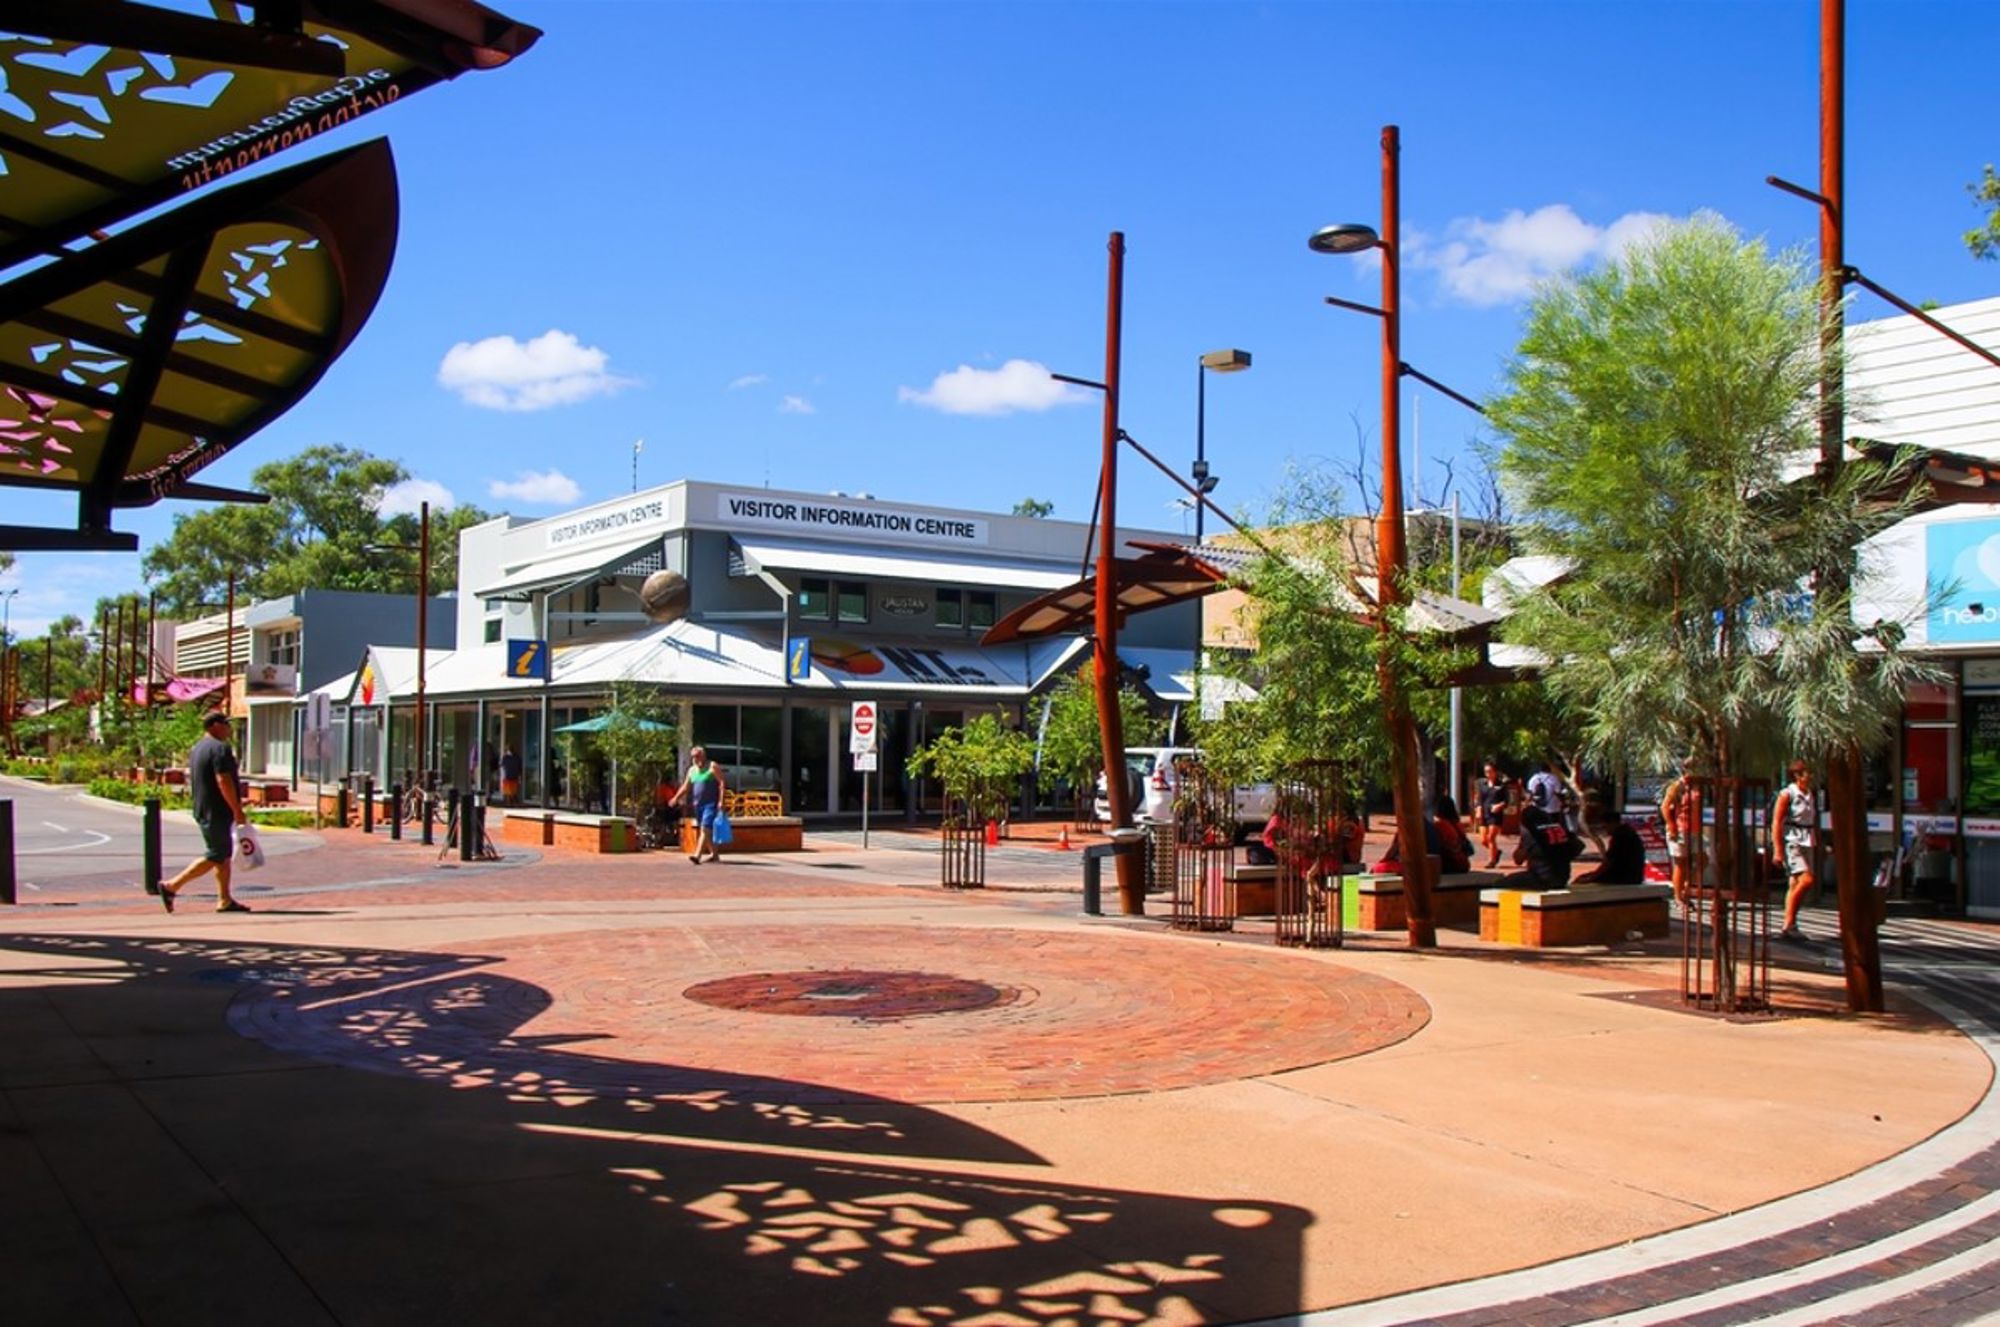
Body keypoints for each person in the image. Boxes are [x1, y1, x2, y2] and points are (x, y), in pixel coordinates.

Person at [161, 711, 250, 914]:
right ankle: (171, 886)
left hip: (204, 807)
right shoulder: (220, 748)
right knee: (217, 854)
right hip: (217, 810)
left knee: (223, 855)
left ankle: (224, 899)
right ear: (215, 726)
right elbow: (223, 780)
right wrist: (237, 809)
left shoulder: (198, 748)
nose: (229, 728)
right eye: (226, 724)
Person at [1773, 760, 1816, 941]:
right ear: (1797, 776)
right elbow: (1777, 821)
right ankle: (1789, 922)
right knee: (1807, 880)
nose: (1810, 776)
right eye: (1807, 773)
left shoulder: (1810, 794)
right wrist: (1778, 850)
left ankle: (1789, 925)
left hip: (1808, 840)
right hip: (1793, 840)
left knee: (1794, 884)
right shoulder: (1787, 794)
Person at [1500, 805, 1584, 889]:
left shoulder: (1531, 834)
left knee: (1500, 883)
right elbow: (1580, 846)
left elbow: (1518, 860)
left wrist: (1522, 844)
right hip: (1562, 879)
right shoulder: (1559, 828)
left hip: (1540, 878)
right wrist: (1561, 854)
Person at [669, 745, 728, 864]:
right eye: (693, 757)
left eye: (697, 756)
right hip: (698, 804)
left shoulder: (712, 766)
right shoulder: (692, 770)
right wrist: (675, 798)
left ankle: (697, 855)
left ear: (703, 756)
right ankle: (714, 855)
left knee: (705, 828)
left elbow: (722, 783)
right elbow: (686, 787)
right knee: (706, 830)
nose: (695, 759)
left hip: (711, 803)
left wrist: (721, 801)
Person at [1660, 760, 1698, 905]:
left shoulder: (1698, 785)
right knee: (1681, 863)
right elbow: (1665, 807)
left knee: (1701, 860)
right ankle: (1678, 896)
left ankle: (1685, 888)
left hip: (1695, 829)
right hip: (1680, 828)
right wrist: (1672, 825)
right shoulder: (1678, 786)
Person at [1575, 816, 1647, 885]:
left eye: (1606, 827)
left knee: (1580, 880)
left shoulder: (1620, 835)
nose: (1605, 830)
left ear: (1613, 823)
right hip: (1633, 876)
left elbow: (1608, 862)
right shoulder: (1628, 832)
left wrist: (1591, 878)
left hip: (1623, 877)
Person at [1473, 759, 1510, 868]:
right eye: (1486, 772)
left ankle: (1491, 861)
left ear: (1495, 772)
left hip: (1495, 814)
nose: (1488, 774)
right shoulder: (1482, 784)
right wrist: (1478, 809)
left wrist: (1499, 805)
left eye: (1490, 771)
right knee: (1483, 840)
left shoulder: (1502, 785)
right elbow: (1479, 799)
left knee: (1491, 838)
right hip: (1484, 812)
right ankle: (1496, 852)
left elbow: (1507, 801)